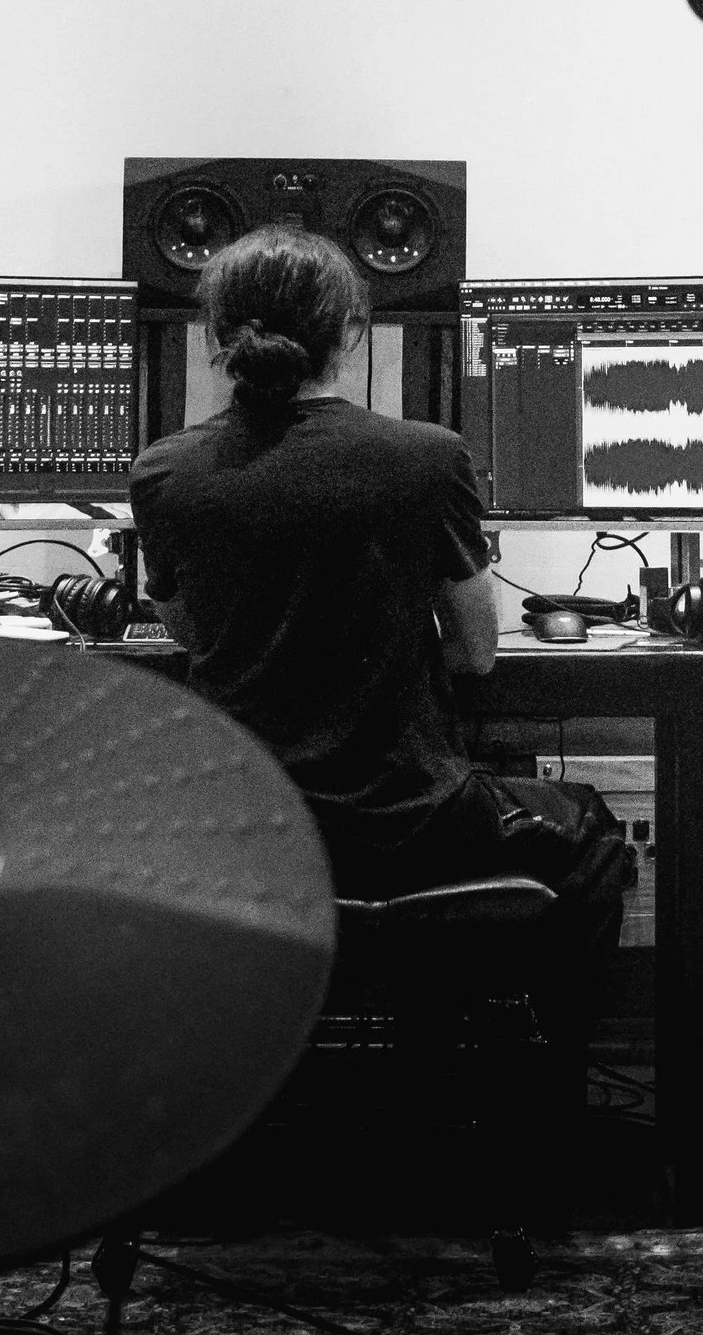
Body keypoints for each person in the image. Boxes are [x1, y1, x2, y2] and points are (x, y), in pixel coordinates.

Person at [128, 223, 628, 959]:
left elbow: (187, 628)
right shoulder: (428, 458)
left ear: (217, 334)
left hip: (250, 823)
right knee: (593, 836)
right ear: (351, 333)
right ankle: (532, 1067)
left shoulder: (164, 472)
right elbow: (476, 654)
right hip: (411, 822)